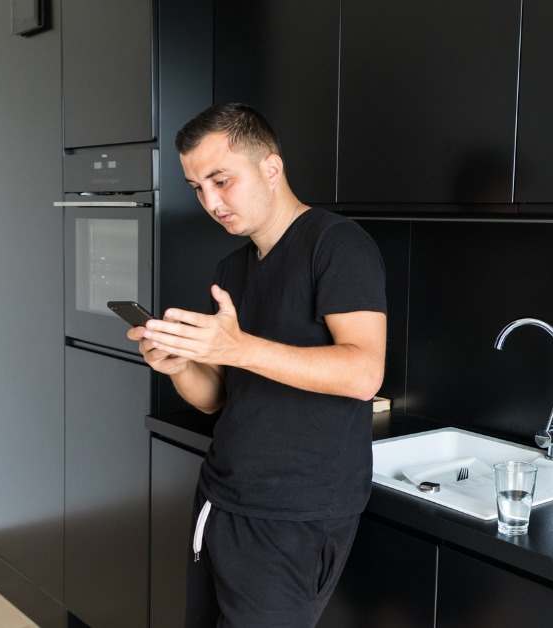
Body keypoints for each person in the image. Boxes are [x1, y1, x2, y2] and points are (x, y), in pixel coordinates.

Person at [127, 102, 387, 626]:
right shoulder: (234, 266)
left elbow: (364, 374)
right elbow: (218, 397)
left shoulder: (337, 245)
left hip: (293, 513)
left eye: (221, 180)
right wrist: (179, 364)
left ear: (271, 167)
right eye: (197, 187)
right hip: (222, 496)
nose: (211, 201)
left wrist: (235, 347)